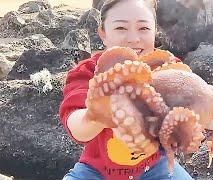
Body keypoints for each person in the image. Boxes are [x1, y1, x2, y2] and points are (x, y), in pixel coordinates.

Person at [59, 0, 194, 179]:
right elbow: (75, 126)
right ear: (103, 34)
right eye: (121, 28)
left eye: (144, 28)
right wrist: (98, 114)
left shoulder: (169, 69)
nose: (133, 38)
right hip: (94, 171)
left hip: (157, 168)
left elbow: (192, 111)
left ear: (155, 31)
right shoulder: (88, 73)